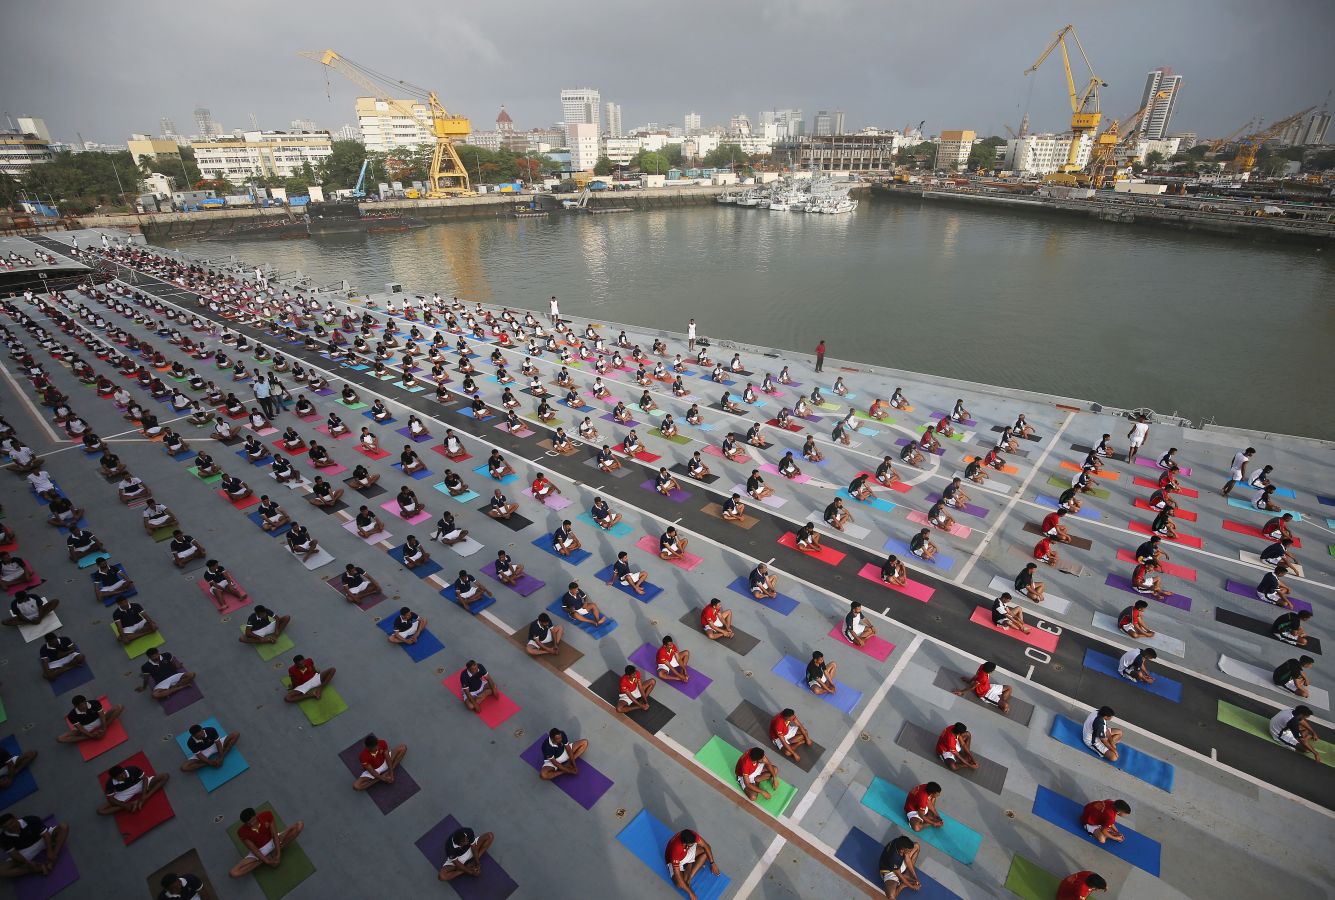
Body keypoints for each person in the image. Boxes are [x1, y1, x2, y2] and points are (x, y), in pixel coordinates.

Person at [228, 806, 305, 878]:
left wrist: (278, 855)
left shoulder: (267, 815)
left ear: (256, 815)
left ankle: (274, 852)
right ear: (245, 824)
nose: (252, 824)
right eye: (249, 823)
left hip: (273, 841)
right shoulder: (241, 832)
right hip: (260, 851)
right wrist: (268, 862)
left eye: (253, 820)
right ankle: (264, 859)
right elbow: (254, 850)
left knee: (299, 825)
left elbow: (274, 835)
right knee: (233, 873)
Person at [0, 813, 70, 878]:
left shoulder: (31, 819)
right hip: (25, 851)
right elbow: (14, 853)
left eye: (11, 823)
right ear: (3, 829)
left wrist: (50, 851)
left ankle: (53, 857)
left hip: (41, 839)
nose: (10, 827)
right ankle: (38, 869)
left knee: (63, 826)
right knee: (2, 871)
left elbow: (46, 835)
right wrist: (28, 864)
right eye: (6, 827)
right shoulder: (2, 838)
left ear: (16, 818)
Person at [97, 760, 170, 817]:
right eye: (120, 777)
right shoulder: (110, 783)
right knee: (101, 810)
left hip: (139, 784)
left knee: (165, 776)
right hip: (124, 792)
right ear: (114, 778)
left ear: (123, 770)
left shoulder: (132, 769)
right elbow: (110, 798)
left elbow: (144, 779)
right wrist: (125, 806)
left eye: (123, 774)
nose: (123, 777)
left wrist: (144, 796)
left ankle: (146, 797)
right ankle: (132, 804)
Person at [665, 829, 720, 900]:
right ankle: (690, 862)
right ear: (685, 843)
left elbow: (707, 846)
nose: (695, 843)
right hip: (674, 860)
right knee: (679, 884)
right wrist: (691, 893)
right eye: (692, 844)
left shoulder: (692, 835)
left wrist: (712, 863)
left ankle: (690, 869)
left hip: (685, 852)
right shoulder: (676, 849)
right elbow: (677, 875)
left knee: (706, 852)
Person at [56, 694, 125, 744]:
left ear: (86, 701)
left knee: (119, 707)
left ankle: (105, 726)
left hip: (100, 720)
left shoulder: (94, 703)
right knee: (60, 739)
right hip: (86, 727)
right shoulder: (71, 715)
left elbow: (102, 716)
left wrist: (104, 729)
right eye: (80, 705)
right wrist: (91, 735)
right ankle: (88, 738)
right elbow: (80, 728)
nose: (84, 706)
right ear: (75, 706)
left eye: (84, 703)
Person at [877, 835, 922, 899]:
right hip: (889, 871)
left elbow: (907, 858)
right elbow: (899, 875)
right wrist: (912, 887)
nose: (910, 852)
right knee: (891, 897)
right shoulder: (894, 858)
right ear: (902, 850)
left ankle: (906, 874)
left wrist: (915, 876)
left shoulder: (898, 842)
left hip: (897, 865)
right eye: (909, 851)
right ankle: (902, 885)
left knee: (916, 846)